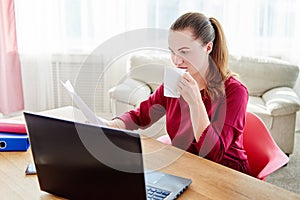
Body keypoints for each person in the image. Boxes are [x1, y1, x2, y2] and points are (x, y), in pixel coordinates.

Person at [106, 12, 250, 175]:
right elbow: (141, 115)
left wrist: (195, 102)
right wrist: (110, 125)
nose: (176, 60)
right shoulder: (175, 81)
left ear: (207, 47)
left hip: (225, 172)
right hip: (188, 165)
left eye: (184, 52)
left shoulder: (234, 91)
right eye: (173, 52)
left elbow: (213, 154)